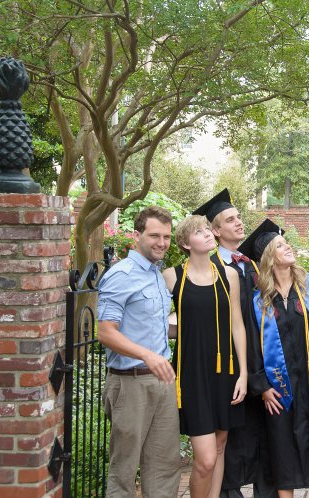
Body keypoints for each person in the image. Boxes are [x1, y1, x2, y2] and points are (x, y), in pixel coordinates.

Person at [239, 219, 309, 498]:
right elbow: (252, 345)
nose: (289, 247)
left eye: (287, 244)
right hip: (279, 388)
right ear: (270, 257)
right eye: (281, 245)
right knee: (283, 453)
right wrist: (261, 387)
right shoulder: (257, 300)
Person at [193, 190, 277, 498]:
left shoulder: (251, 265)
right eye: (230, 219)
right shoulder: (209, 265)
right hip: (226, 365)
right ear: (215, 230)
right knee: (228, 438)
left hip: (259, 365)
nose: (239, 223)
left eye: (239, 217)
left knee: (260, 435)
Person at [97, 205, 181, 498]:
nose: (162, 242)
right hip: (130, 382)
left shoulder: (156, 274)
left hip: (162, 381)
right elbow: (105, 331)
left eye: (167, 236)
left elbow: (153, 326)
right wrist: (147, 355)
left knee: (164, 465)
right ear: (136, 235)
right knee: (124, 469)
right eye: (155, 235)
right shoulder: (122, 275)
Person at [162, 214, 248, 498]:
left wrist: (244, 375)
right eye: (199, 232)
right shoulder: (172, 276)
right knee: (206, 459)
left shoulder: (229, 275)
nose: (208, 234)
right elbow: (158, 323)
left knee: (221, 445)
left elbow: (237, 323)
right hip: (191, 374)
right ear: (186, 243)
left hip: (225, 371)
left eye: (207, 230)